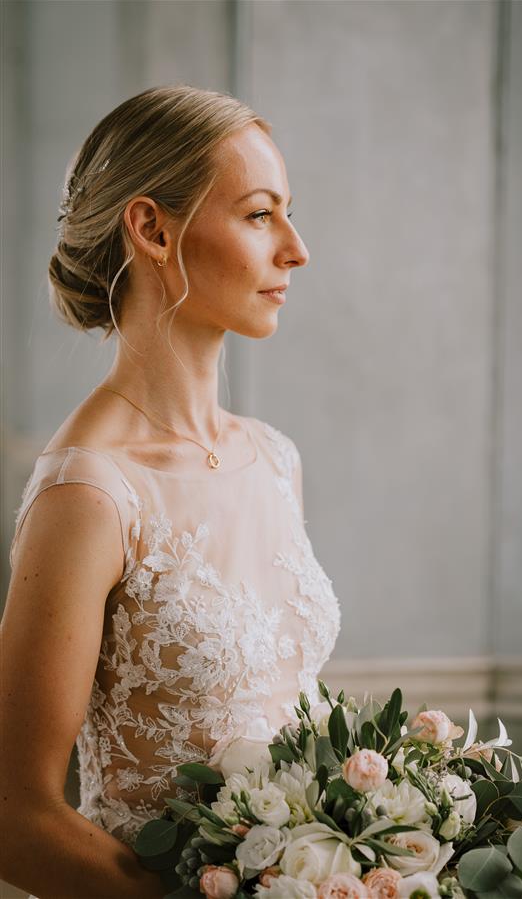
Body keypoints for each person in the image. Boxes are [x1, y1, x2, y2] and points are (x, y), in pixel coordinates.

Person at [0, 85, 341, 899]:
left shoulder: (273, 458)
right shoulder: (89, 492)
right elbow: (14, 816)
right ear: (153, 228)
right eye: (260, 215)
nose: (295, 249)